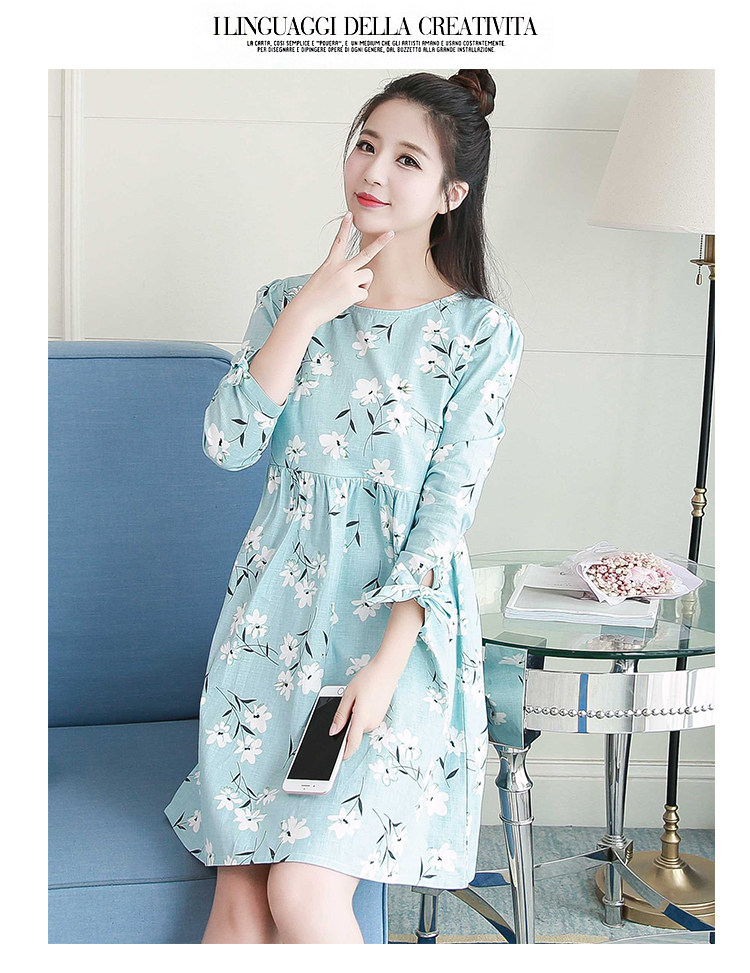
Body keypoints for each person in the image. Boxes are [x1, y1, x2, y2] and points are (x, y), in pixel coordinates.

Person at [164, 68, 525, 944]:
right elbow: (227, 442)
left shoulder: (479, 334)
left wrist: (385, 669)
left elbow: (443, 521)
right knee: (240, 895)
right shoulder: (284, 302)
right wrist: (311, 307)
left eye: (407, 159)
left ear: (451, 194)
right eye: (366, 144)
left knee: (301, 890)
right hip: (270, 634)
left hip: (393, 645)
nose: (374, 170)